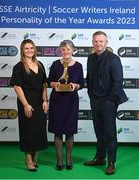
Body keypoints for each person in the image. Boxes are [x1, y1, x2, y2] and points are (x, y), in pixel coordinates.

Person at [84, 31, 128, 175]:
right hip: (95, 100)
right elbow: (89, 77)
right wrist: (90, 95)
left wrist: (110, 100)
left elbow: (118, 82)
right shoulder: (90, 58)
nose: (98, 44)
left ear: (106, 42)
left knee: (109, 133)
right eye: (96, 41)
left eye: (101, 41)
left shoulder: (114, 59)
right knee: (99, 132)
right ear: (92, 43)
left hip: (109, 101)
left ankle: (111, 162)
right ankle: (100, 157)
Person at [10, 39, 48, 172]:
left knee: (38, 129)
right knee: (28, 129)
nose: (29, 50)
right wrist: (25, 104)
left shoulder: (40, 64)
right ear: (22, 50)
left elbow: (44, 84)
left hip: (39, 102)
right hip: (26, 101)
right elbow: (17, 87)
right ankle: (28, 158)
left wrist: (45, 100)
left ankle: (35, 155)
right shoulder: (19, 67)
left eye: (31, 48)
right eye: (26, 48)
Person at [48, 40, 84, 170]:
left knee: (69, 131)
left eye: (68, 49)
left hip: (71, 101)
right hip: (57, 100)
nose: (65, 52)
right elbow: (49, 81)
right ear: (60, 51)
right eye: (63, 49)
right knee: (57, 131)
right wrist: (55, 84)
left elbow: (82, 84)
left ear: (73, 50)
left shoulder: (78, 66)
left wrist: (75, 86)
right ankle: (59, 160)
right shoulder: (55, 64)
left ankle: (68, 159)